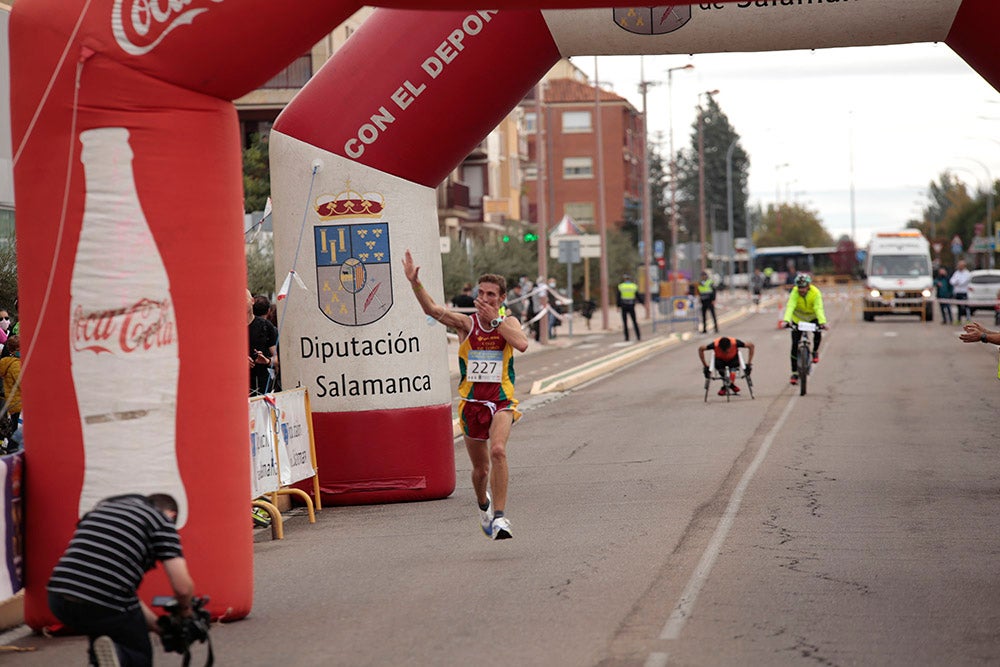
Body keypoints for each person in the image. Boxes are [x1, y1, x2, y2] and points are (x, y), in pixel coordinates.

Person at [402, 249, 528, 540]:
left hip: (501, 402)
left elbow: (521, 344)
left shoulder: (508, 322)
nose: (485, 299)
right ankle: (483, 504)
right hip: (472, 405)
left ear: (502, 299)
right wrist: (414, 283)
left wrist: (496, 320)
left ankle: (500, 518)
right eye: (482, 293)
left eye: (492, 295)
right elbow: (433, 310)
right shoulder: (466, 324)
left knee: (498, 451)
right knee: (480, 470)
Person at [47, 493, 195, 667]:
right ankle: (121, 657)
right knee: (137, 653)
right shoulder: (161, 520)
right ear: (172, 515)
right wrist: (186, 613)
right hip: (104, 601)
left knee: (104, 636)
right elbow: (183, 588)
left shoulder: (104, 508)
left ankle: (104, 658)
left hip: (59, 597)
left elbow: (127, 597)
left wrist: (159, 628)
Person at [782, 273, 827, 385]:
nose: (801, 290)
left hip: (812, 317)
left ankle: (815, 351)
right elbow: (790, 306)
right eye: (799, 287)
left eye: (804, 287)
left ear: (808, 286)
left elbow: (818, 307)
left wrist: (822, 322)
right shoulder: (795, 292)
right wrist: (786, 320)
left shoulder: (815, 293)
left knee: (818, 333)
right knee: (794, 345)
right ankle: (794, 373)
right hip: (798, 320)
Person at [248, 291, 278, 396]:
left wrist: (267, 360)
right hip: (239, 386)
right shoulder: (229, 327)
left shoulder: (266, 326)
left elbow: (277, 360)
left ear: (252, 301)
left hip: (263, 386)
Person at [0, 335, 22, 428]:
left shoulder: (5, 361)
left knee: (12, 429)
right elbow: (22, 383)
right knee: (16, 432)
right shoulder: (16, 364)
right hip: (18, 404)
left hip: (10, 403)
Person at [617, 273, 641, 342]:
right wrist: (643, 303)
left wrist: (618, 306)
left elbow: (618, 297)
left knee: (625, 322)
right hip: (631, 305)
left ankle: (627, 337)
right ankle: (638, 336)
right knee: (634, 321)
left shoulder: (621, 286)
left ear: (624, 279)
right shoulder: (633, 286)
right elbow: (638, 296)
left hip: (623, 306)